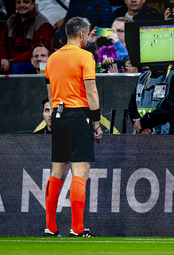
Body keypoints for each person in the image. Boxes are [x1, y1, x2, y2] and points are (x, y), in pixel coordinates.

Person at [44, 17, 103, 237]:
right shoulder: (85, 56)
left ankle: (50, 227)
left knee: (56, 172)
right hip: (79, 115)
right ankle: (77, 228)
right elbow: (91, 92)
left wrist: (52, 114)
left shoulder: (52, 58)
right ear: (81, 34)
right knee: (80, 171)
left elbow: (49, 94)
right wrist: (96, 122)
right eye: (87, 34)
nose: (88, 38)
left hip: (58, 115)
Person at [128, 64, 174, 134]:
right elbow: (132, 105)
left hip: (169, 134)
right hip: (141, 133)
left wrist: (144, 123)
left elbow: (171, 106)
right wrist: (139, 125)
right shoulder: (143, 76)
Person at [0, 0, 54, 74]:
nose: (22, 5)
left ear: (33, 4)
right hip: (9, 61)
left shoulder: (42, 24)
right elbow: (2, 43)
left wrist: (11, 62)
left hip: (32, 62)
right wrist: (3, 58)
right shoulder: (10, 21)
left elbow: (37, 51)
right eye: (18, 2)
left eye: (26, 2)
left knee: (17, 68)